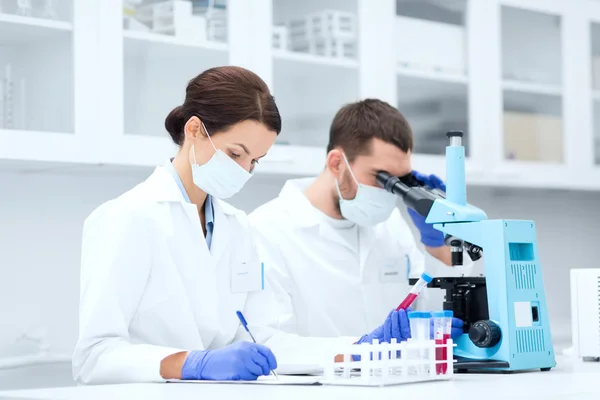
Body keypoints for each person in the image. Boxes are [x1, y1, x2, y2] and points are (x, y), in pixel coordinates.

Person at [73, 68, 419, 385]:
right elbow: (94, 357)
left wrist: (358, 349)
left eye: (254, 160)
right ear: (194, 130)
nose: (243, 170)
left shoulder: (236, 227)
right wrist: (191, 363)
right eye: (235, 153)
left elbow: (262, 339)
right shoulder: (126, 217)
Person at [248, 99, 470, 340]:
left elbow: (433, 314)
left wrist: (437, 245)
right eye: (382, 178)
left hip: (395, 376)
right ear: (336, 163)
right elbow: (274, 343)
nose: (389, 192)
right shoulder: (267, 229)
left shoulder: (391, 225)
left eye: (401, 181)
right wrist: (359, 349)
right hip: (320, 378)